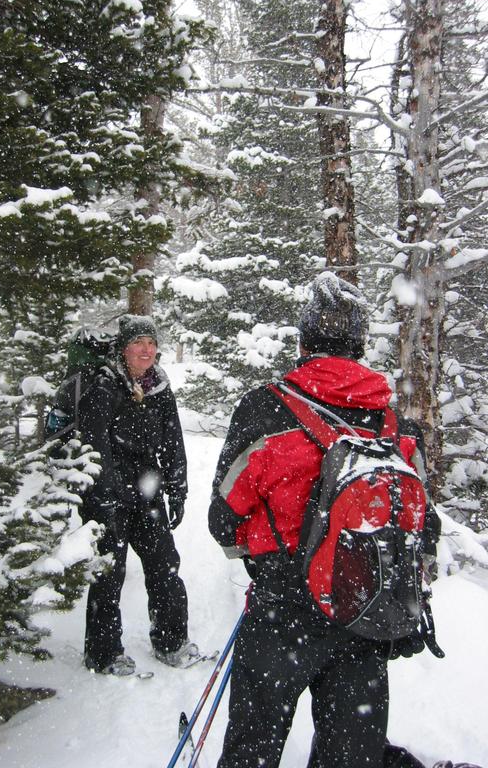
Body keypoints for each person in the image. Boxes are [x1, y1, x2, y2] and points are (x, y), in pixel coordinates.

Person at [209, 272, 441, 768]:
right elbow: (424, 526)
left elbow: (222, 519)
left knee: (252, 746)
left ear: (304, 339)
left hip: (282, 611)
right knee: (350, 754)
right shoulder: (395, 424)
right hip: (364, 610)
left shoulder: (265, 409)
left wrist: (265, 553)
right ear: (360, 342)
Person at [80, 314, 198, 676]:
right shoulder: (104, 385)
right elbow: (95, 444)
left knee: (165, 566)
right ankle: (103, 654)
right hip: (109, 494)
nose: (146, 350)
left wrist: (177, 489)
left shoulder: (158, 385)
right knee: (109, 574)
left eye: (151, 343)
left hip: (147, 491)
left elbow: (173, 440)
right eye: (138, 343)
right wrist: (106, 495)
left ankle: (171, 642)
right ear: (124, 348)